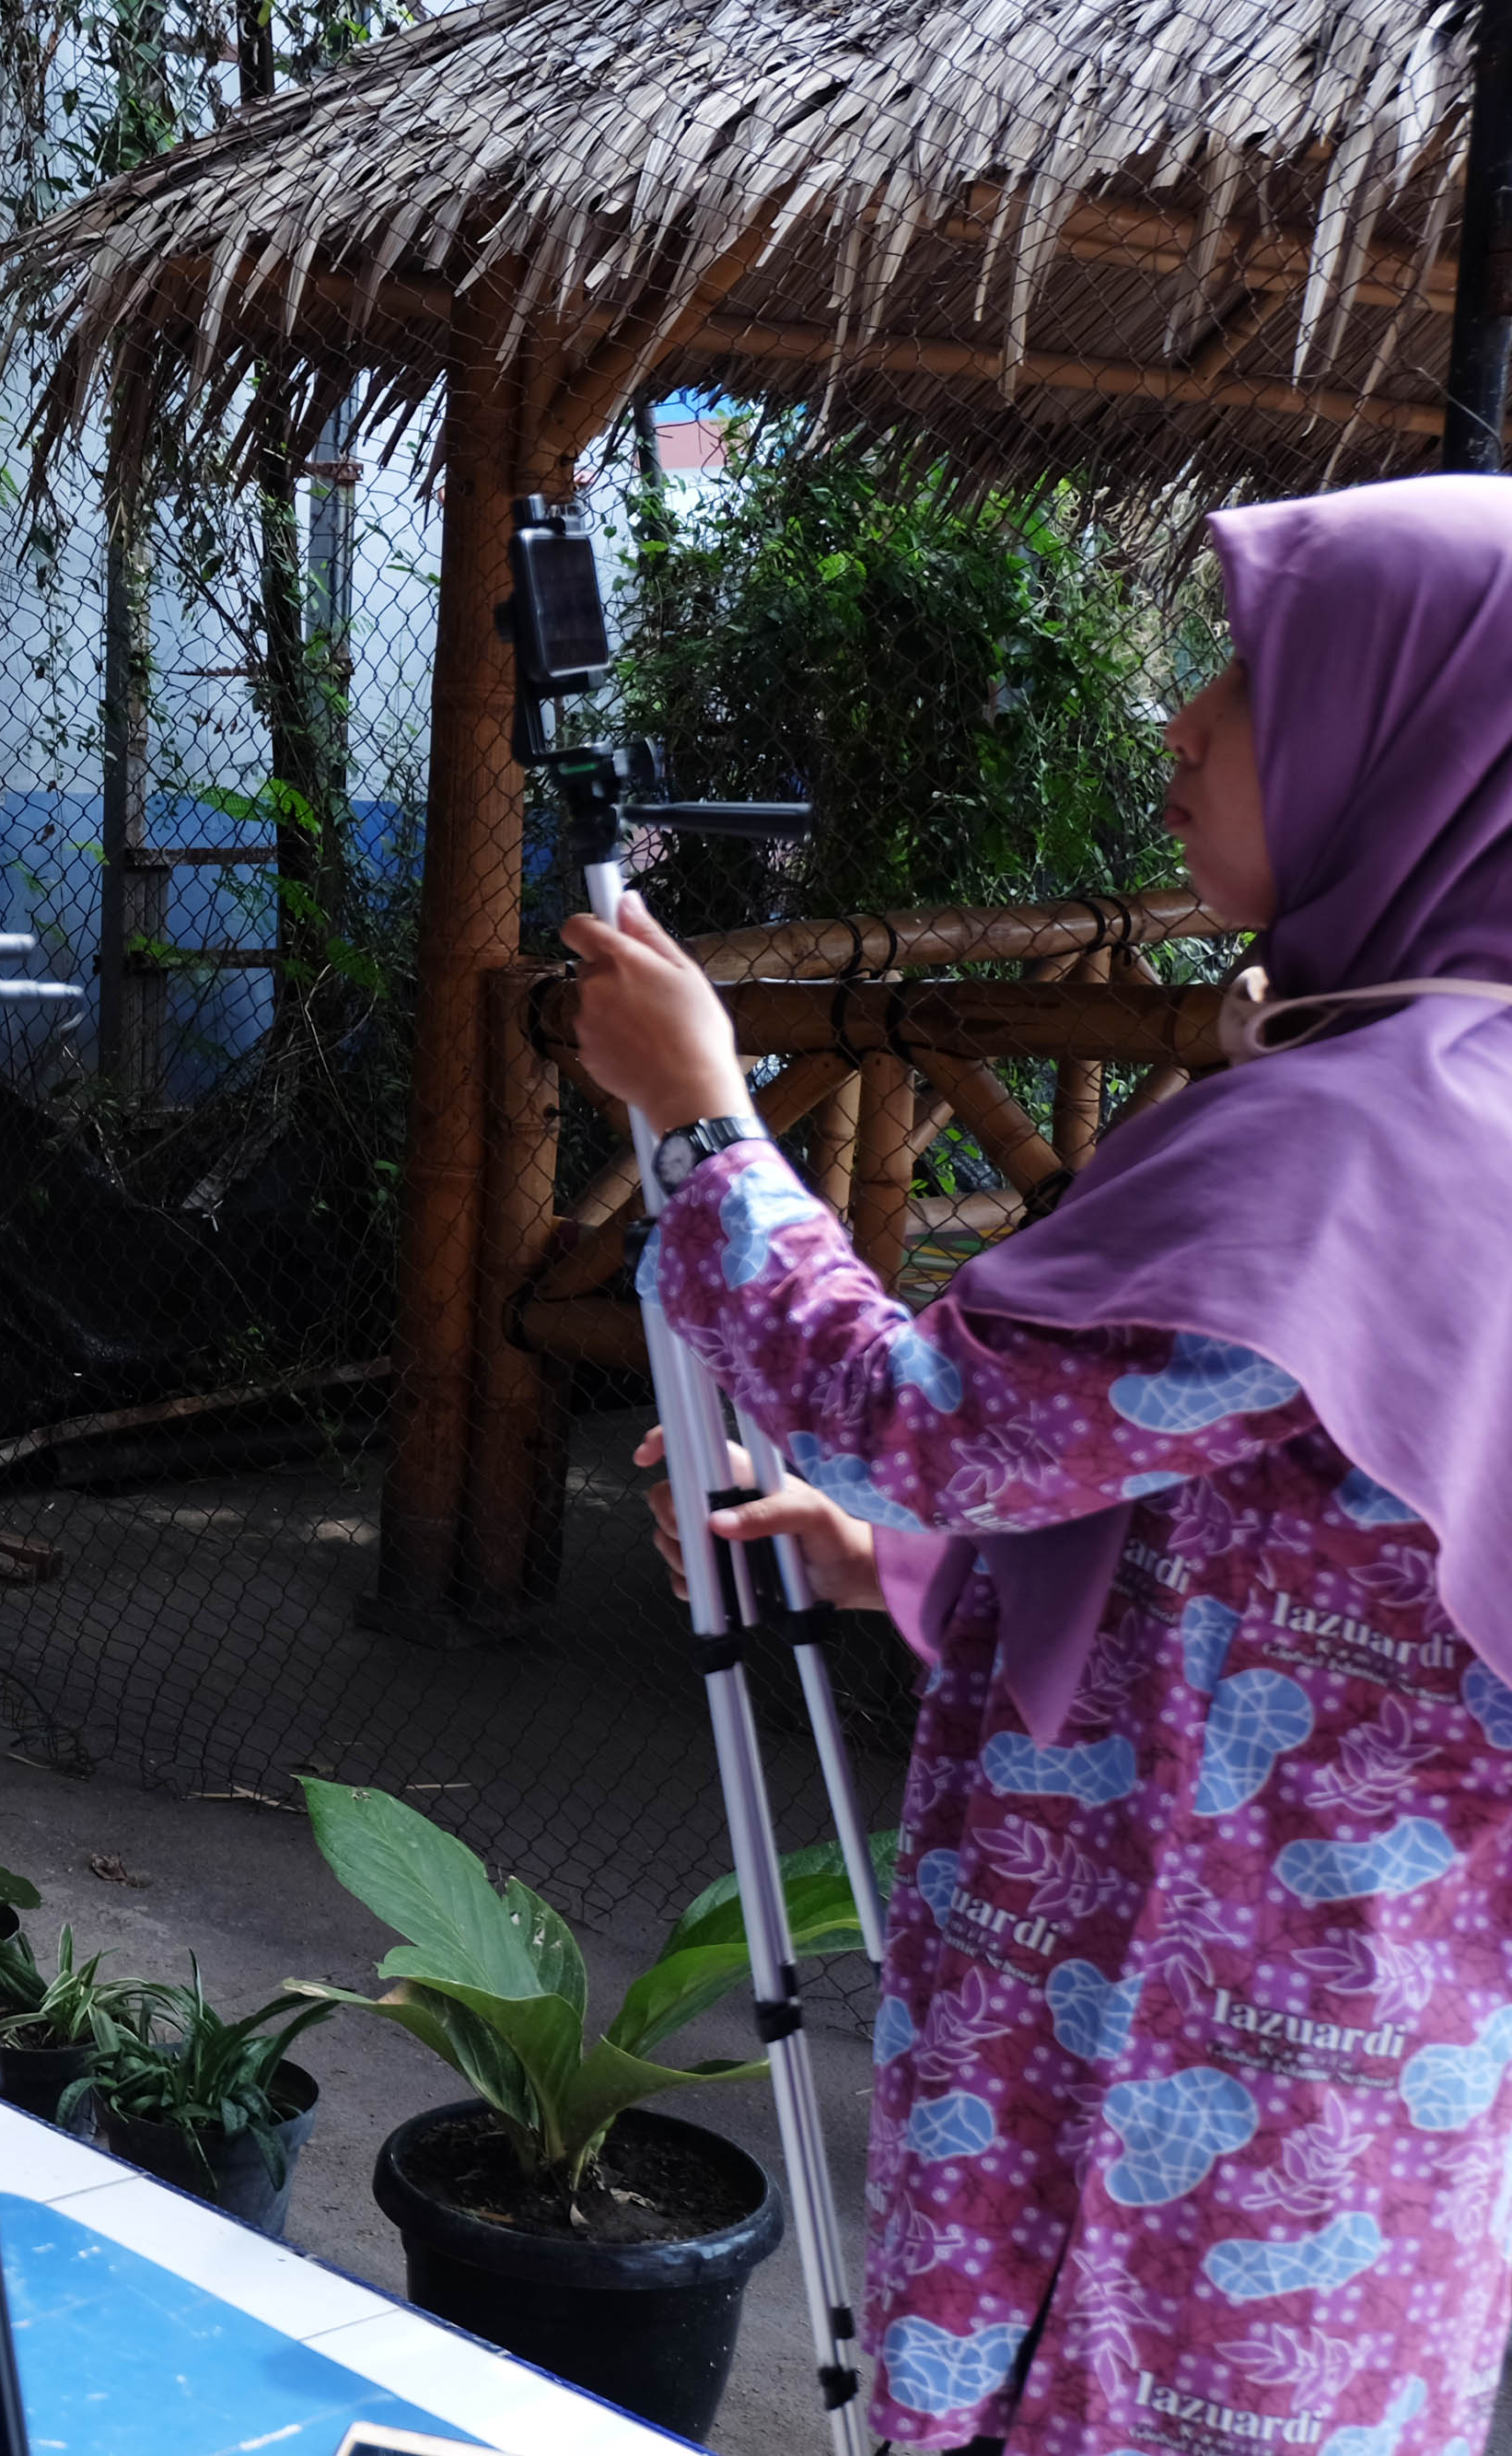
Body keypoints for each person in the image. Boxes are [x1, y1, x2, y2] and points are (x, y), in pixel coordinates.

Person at [564, 472, 1512, 2456]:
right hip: (1316, 2079)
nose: (1180, 717)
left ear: (1417, 735)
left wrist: (703, 1115)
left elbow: (925, 1418)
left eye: (1253, 674)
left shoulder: (1375, 1143)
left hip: (1193, 2094)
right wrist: (898, 1565)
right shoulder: (1432, 1074)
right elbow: (1299, 1570)